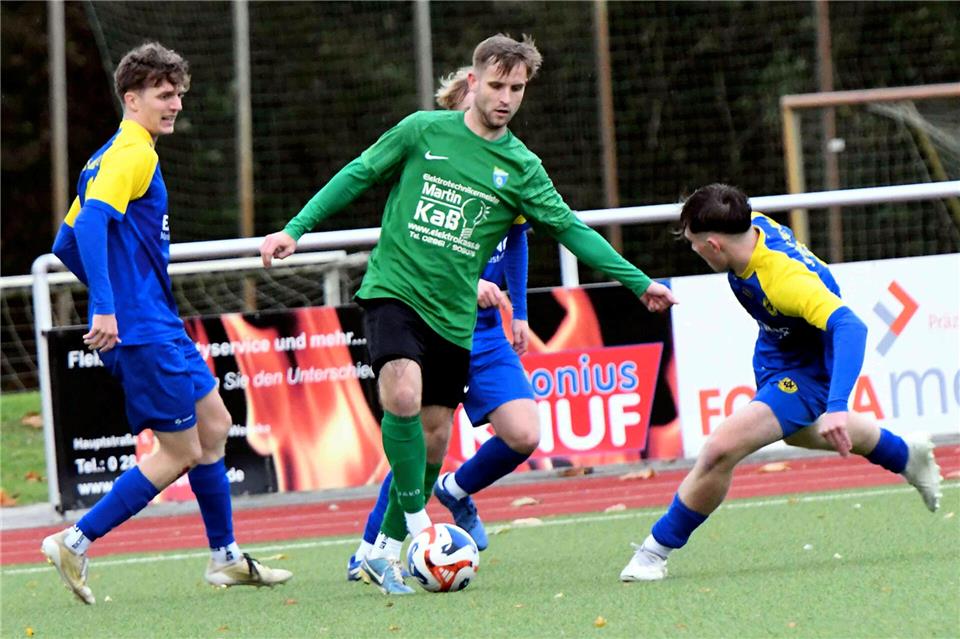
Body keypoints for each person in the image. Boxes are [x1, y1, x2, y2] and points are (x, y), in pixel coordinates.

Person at [261, 34, 677, 595]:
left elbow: (570, 230)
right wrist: (295, 228)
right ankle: (418, 529)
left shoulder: (522, 168)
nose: (506, 97)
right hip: (394, 290)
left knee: (433, 440)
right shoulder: (421, 131)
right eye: (498, 85)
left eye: (518, 89)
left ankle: (381, 550)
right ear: (474, 80)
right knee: (401, 396)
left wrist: (638, 282)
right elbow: (357, 174)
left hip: (455, 318)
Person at [44, 42, 292, 605]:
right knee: (178, 451)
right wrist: (111, 305)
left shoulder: (111, 154)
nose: (175, 103)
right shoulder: (134, 154)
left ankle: (225, 557)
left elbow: (64, 239)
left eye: (179, 93)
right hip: (142, 329)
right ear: (131, 99)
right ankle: (75, 540)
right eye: (164, 94)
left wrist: (121, 292)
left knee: (214, 423)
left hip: (157, 322)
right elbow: (87, 232)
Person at [619, 183, 944, 582]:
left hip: (808, 367)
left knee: (721, 449)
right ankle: (905, 456)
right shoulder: (746, 223)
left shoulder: (782, 278)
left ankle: (655, 552)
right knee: (800, 433)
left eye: (694, 243)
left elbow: (850, 326)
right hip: (777, 347)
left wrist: (838, 405)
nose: (693, 249)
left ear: (715, 246)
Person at [345, 68, 537, 583]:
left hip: (486, 334)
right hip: (432, 315)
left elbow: (520, 239)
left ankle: (454, 492)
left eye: (510, 92)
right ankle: (373, 545)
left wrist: (517, 310)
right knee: (414, 425)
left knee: (523, 434)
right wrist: (467, 280)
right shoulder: (433, 150)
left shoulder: (511, 168)